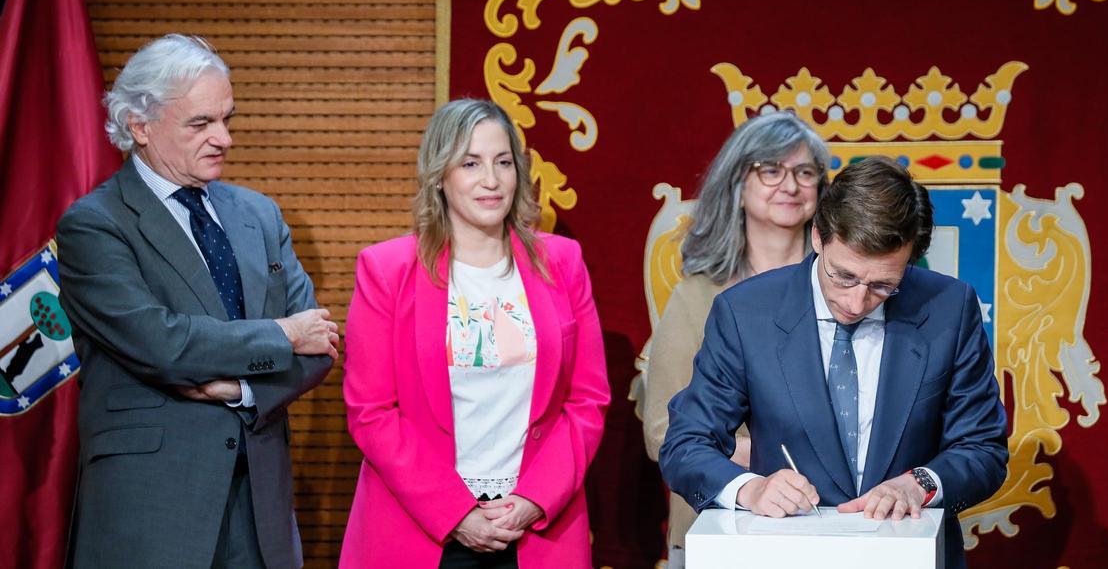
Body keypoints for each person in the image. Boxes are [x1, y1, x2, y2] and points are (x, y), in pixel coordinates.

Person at [57, 34, 339, 568]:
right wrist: (281, 334)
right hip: (151, 511)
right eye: (201, 123)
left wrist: (244, 390)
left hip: (260, 509)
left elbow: (319, 344)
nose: (224, 138)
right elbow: (159, 341)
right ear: (140, 126)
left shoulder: (260, 215)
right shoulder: (95, 225)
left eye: (226, 119)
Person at [659, 157, 1007, 569]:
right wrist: (749, 490)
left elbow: (982, 447)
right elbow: (686, 444)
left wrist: (922, 484)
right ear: (819, 237)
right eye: (843, 276)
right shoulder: (745, 313)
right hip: (782, 558)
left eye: (883, 286)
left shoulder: (950, 308)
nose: (856, 302)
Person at [340, 98, 610, 568]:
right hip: (420, 529)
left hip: (536, 529)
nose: (491, 180)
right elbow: (371, 412)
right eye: (470, 163)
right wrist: (455, 511)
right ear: (439, 176)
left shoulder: (563, 263)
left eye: (503, 162)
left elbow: (587, 401)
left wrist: (533, 499)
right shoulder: (386, 269)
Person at [641, 111, 829, 567]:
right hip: (720, 527)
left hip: (830, 520)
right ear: (737, 184)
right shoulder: (696, 296)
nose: (790, 185)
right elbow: (663, 433)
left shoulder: (843, 289)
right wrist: (783, 459)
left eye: (805, 172)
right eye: (771, 170)